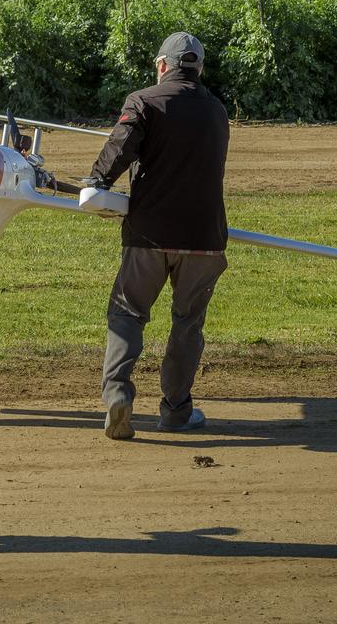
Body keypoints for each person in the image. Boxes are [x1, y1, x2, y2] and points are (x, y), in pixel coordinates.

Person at [87, 32, 230, 441]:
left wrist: (97, 181)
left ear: (163, 66)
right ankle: (176, 411)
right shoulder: (218, 111)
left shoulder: (144, 101)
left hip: (149, 234)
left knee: (127, 313)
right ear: (198, 68)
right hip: (205, 238)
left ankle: (117, 394)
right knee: (188, 325)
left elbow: (121, 146)